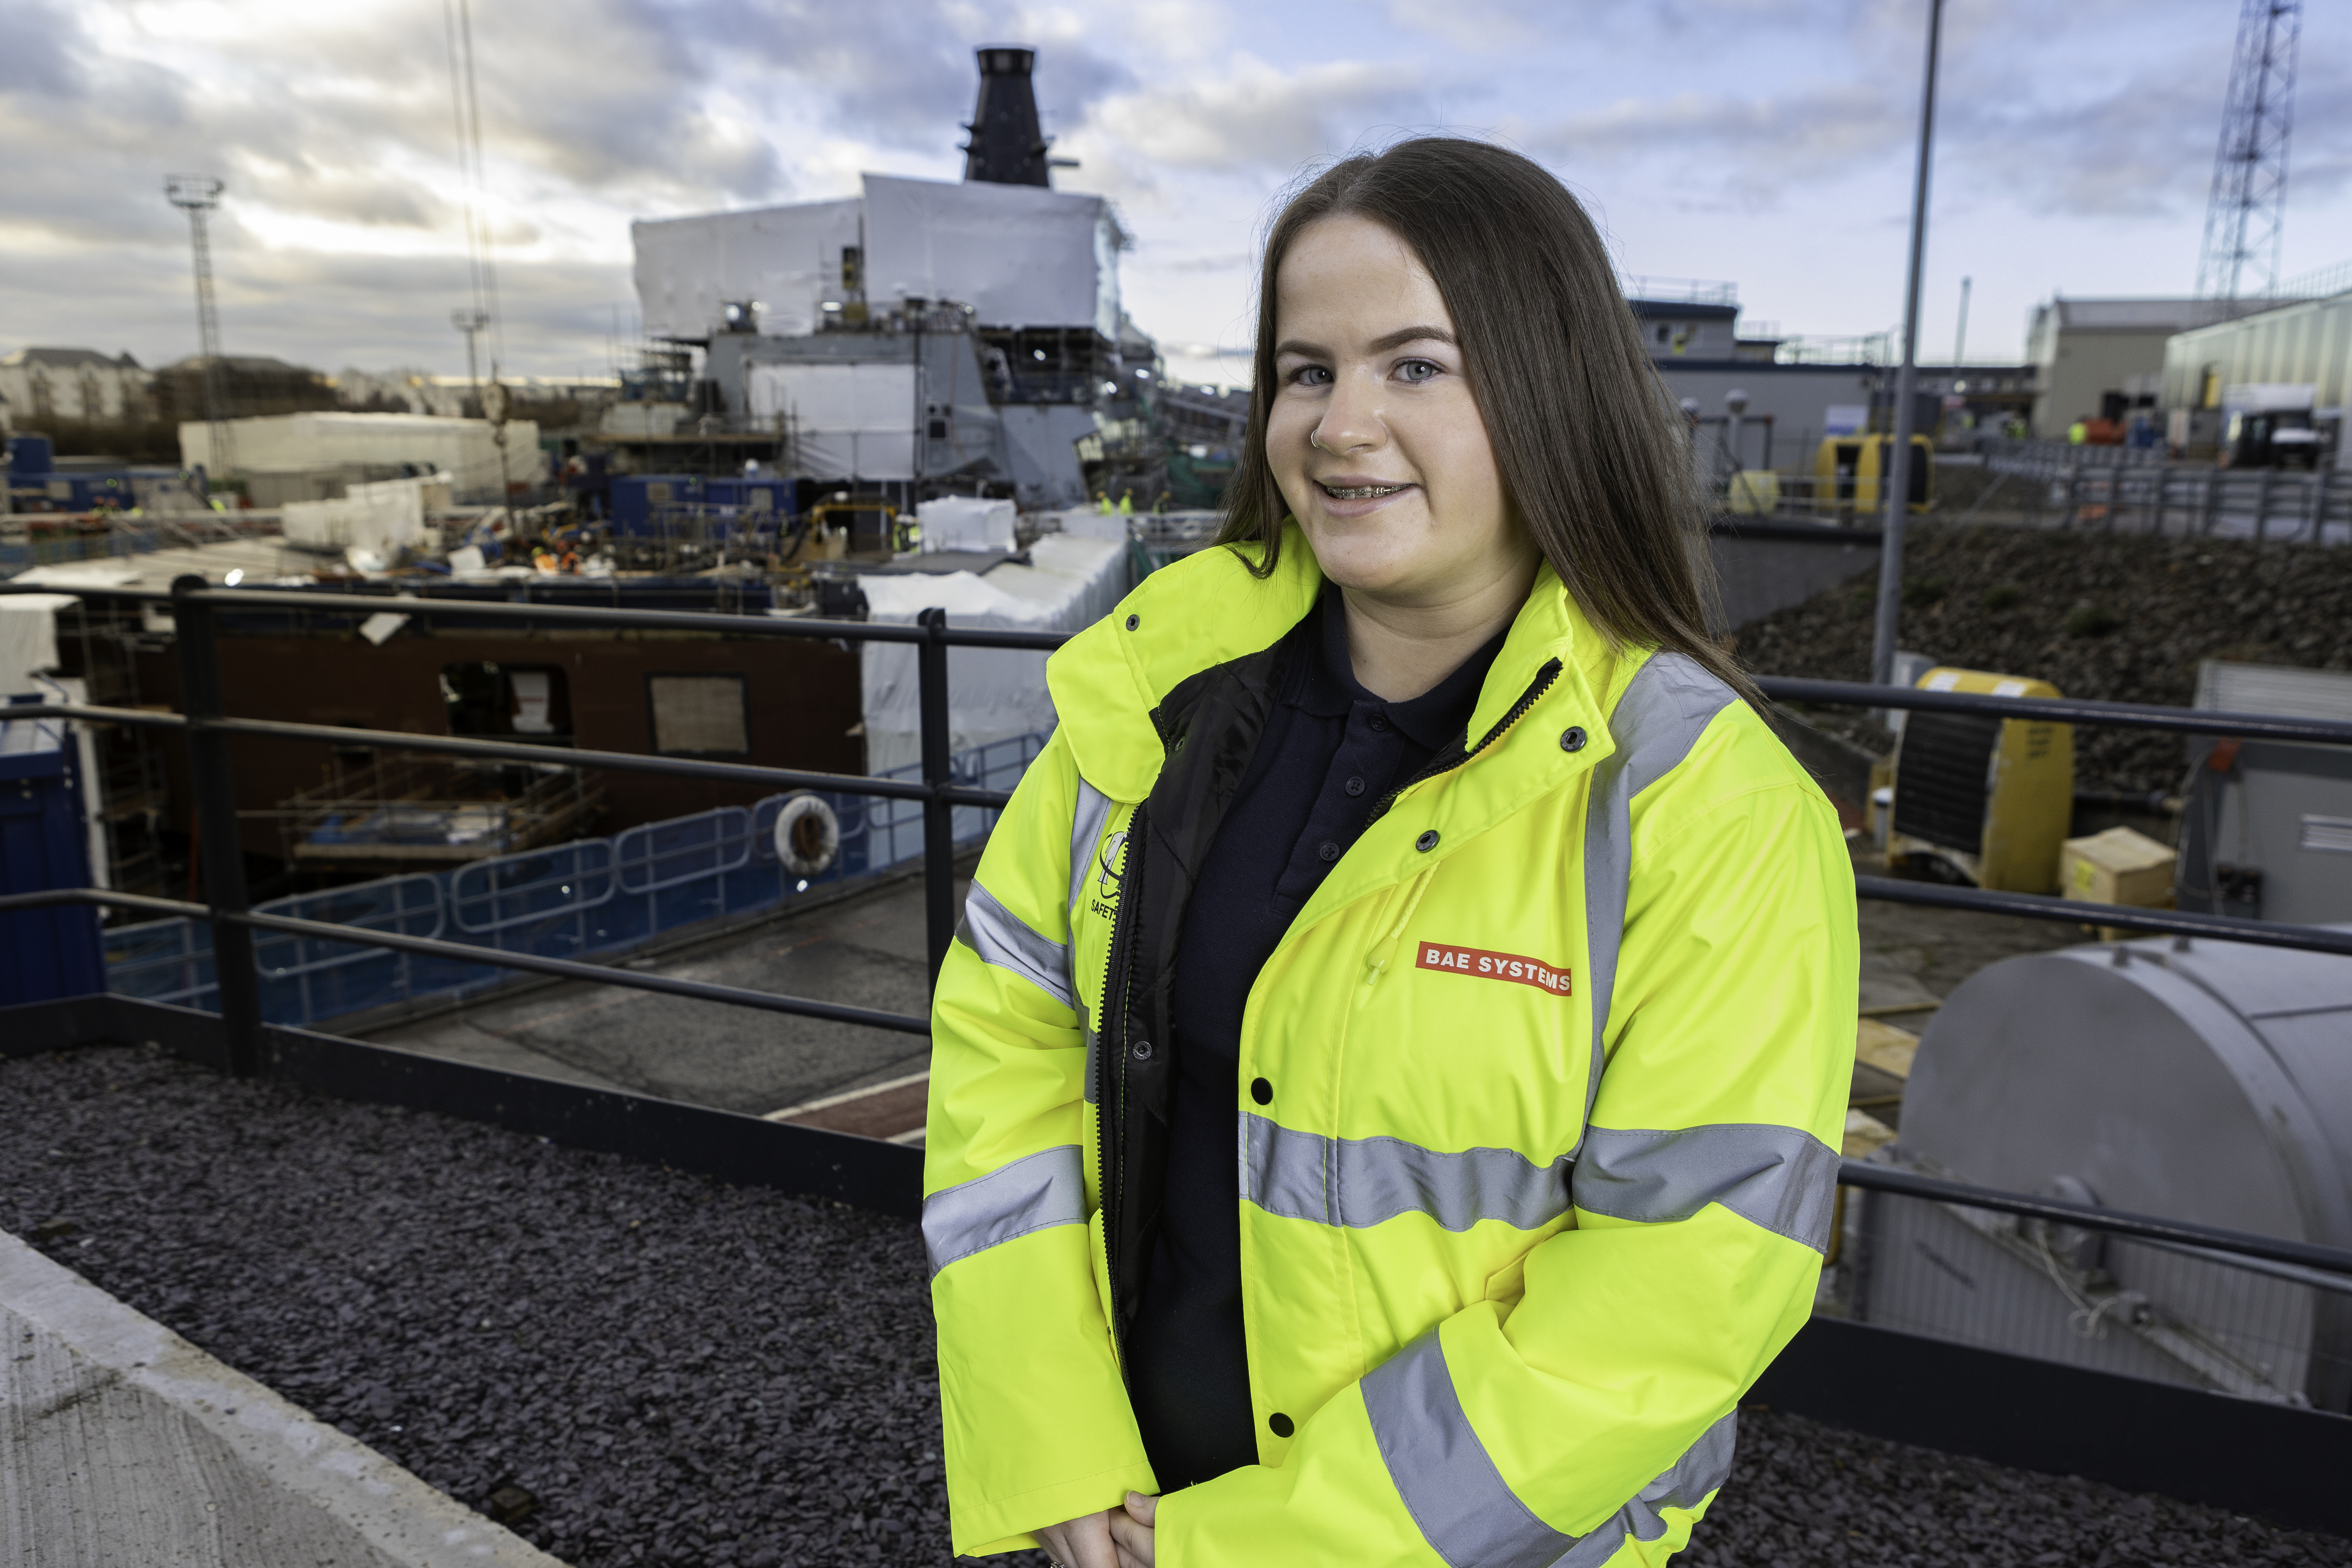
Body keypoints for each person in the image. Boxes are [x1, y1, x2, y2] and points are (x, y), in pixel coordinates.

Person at [923, 137, 1856, 1568]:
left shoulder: (1699, 802)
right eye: (1307, 369)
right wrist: (1052, 1441)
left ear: (1547, 390)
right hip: (1122, 1512)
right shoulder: (1149, 701)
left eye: (1415, 366)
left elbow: (1684, 1282)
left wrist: (1252, 1548)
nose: (1339, 424)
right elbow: (1008, 1044)